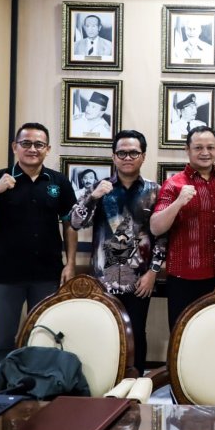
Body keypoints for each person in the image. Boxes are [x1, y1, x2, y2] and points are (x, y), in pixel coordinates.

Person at [0, 122, 78, 372]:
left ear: (47, 149)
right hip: (7, 273)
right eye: (26, 143)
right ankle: (0, 390)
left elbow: (70, 224)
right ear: (15, 147)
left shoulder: (58, 182)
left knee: (44, 337)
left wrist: (70, 263)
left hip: (47, 272)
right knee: (3, 339)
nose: (32, 149)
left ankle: (39, 389)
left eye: (39, 144)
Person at [69, 130, 166, 375]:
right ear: (114, 157)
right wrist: (93, 197)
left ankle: (135, 385)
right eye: (121, 153)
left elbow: (162, 237)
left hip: (140, 279)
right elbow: (76, 222)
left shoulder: (155, 190)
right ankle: (105, 381)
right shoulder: (99, 188)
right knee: (105, 332)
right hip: (103, 279)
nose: (127, 157)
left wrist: (153, 272)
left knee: (137, 333)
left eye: (133, 152)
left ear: (143, 156)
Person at [151, 126, 215, 330]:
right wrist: (178, 203)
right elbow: (156, 227)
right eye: (198, 147)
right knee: (182, 335)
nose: (205, 152)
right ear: (187, 149)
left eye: (211, 147)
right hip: (184, 276)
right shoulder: (174, 184)